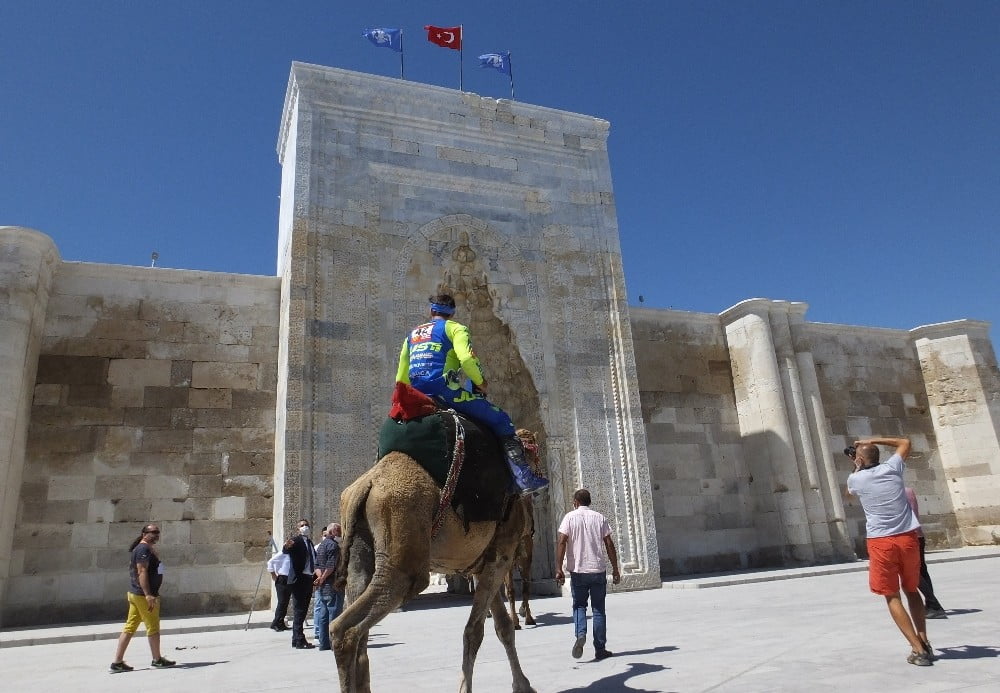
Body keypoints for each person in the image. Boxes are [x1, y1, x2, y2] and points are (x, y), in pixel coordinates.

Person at [396, 293, 547, 495]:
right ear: (452, 313)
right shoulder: (455, 329)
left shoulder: (412, 335)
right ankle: (524, 478)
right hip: (445, 393)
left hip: (416, 396)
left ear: (431, 311)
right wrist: (480, 382)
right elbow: (467, 359)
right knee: (502, 420)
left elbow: (401, 376)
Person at [846, 437, 934, 666]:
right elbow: (905, 442)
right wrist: (872, 440)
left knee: (892, 595)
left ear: (859, 459)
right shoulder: (893, 468)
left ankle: (917, 649)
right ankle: (924, 640)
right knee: (912, 590)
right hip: (908, 538)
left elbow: (849, 493)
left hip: (881, 542)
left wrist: (856, 466)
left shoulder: (856, 478)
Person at [554, 489, 621, 661]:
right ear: (589, 502)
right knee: (598, 610)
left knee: (579, 606)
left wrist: (559, 568)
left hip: (578, 571)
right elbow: (609, 543)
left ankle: (580, 634)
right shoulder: (599, 518)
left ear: (576, 502)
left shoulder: (569, 517)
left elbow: (561, 541)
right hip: (597, 570)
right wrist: (615, 568)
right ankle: (600, 649)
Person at [110, 524, 176, 672]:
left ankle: (117, 662)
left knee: (130, 627)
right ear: (144, 533)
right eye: (153, 532)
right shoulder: (142, 549)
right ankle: (157, 659)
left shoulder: (146, 549)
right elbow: (142, 571)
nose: (156, 535)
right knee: (153, 627)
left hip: (136, 594)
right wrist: (148, 594)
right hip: (143, 595)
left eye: (158, 532)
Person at [904, 487, 948, 619]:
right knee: (922, 570)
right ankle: (930, 605)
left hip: (908, 537)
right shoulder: (909, 491)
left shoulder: (896, 494)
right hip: (918, 535)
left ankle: (934, 605)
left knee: (913, 571)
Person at [283, 518, 318, 649]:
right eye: (302, 525)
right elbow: (286, 550)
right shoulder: (296, 541)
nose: (305, 527)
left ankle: (296, 639)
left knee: (303, 611)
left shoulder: (309, 542)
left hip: (308, 578)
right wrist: (286, 546)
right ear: (298, 529)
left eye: (306, 525)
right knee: (299, 610)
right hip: (299, 579)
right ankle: (299, 640)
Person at [313, 522, 344, 651]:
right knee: (334, 614)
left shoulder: (321, 545)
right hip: (333, 585)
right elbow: (331, 566)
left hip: (323, 585)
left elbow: (316, 565)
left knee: (323, 614)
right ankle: (333, 643)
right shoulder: (333, 545)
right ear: (334, 531)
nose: (341, 533)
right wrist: (324, 578)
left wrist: (320, 578)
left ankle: (323, 643)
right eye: (339, 531)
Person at [267, 547, 293, 631]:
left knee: (285, 602)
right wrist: (273, 575)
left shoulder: (293, 554)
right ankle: (275, 623)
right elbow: (270, 562)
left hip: (289, 579)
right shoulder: (282, 553)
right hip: (282, 579)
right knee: (282, 602)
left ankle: (281, 623)